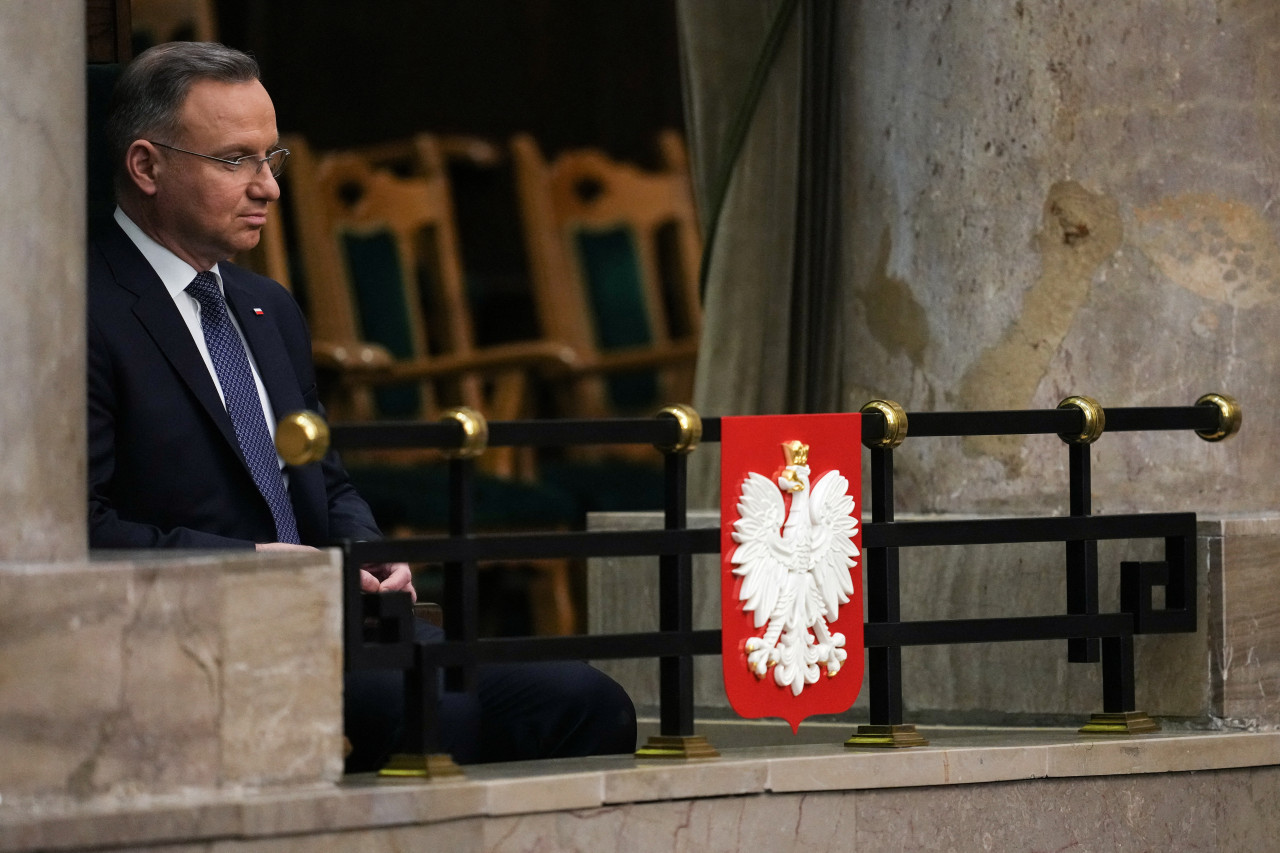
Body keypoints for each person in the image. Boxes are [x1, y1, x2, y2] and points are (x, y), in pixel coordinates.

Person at [87, 41, 636, 771]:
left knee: (589, 701)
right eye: (235, 161)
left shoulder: (264, 306)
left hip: (343, 619)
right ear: (147, 166)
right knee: (435, 716)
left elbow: (327, 479)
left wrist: (371, 555)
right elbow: (75, 528)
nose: (269, 188)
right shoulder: (79, 311)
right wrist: (245, 564)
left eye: (271, 159)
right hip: (197, 634)